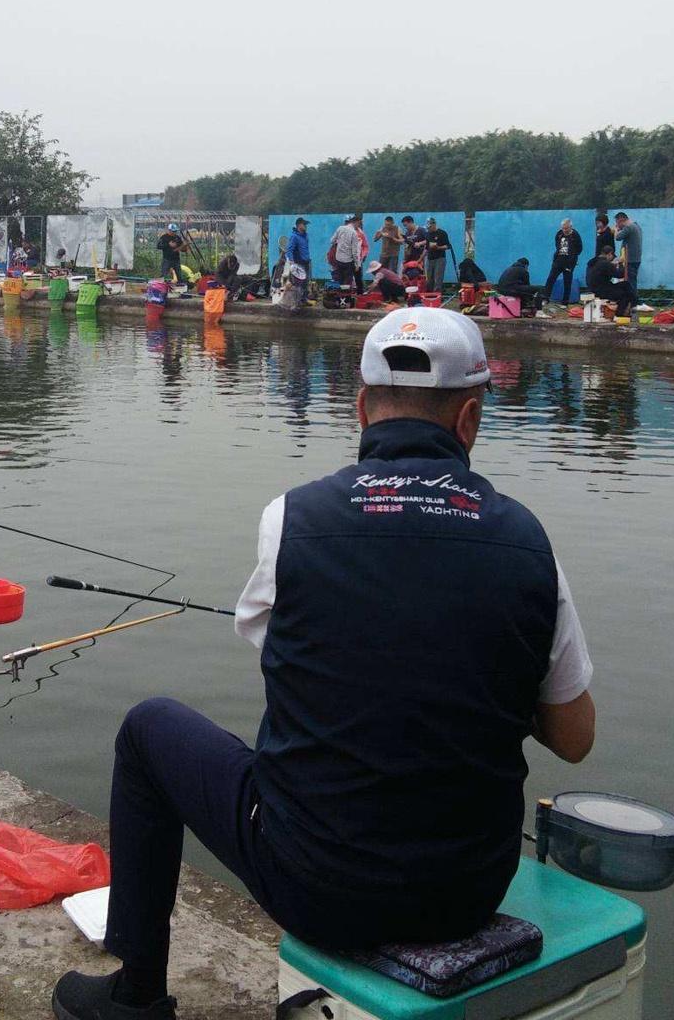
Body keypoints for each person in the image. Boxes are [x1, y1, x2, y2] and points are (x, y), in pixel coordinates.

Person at [51, 309, 595, 1020]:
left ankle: (135, 996)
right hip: (468, 892)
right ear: (468, 420)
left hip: (318, 887)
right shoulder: (529, 543)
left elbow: (301, 662)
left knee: (149, 729)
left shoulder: (293, 520)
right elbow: (574, 738)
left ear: (362, 407)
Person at [544, 217, 582, 303]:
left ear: (571, 227)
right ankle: (545, 297)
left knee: (567, 281)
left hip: (569, 262)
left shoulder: (575, 235)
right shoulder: (559, 234)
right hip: (559, 260)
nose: (564, 230)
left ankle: (565, 301)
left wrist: (573, 257)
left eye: (566, 228)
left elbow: (580, 248)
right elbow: (557, 244)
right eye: (563, 228)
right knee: (551, 278)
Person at [584, 249, 630, 317]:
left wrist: (613, 264)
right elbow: (620, 274)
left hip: (592, 288)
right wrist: (621, 263)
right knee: (625, 295)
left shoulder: (593, 262)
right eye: (612, 257)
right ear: (609, 254)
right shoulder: (605, 263)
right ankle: (619, 314)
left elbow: (604, 270)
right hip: (601, 290)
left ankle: (621, 309)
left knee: (625, 284)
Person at [332, 216, 365, 289]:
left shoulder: (340, 228)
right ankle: (346, 298)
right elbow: (354, 251)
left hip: (338, 259)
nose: (359, 226)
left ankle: (340, 297)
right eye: (359, 223)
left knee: (340, 279)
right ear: (355, 222)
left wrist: (339, 243)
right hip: (348, 261)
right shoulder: (354, 233)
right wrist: (357, 264)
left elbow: (332, 241)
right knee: (347, 281)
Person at [613, 212, 642, 297]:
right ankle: (634, 301)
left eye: (617, 222)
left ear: (621, 220)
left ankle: (632, 302)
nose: (617, 225)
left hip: (630, 260)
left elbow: (617, 237)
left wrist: (616, 229)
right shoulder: (636, 226)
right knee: (633, 281)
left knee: (630, 283)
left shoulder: (628, 227)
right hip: (636, 259)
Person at [157, 224, 189, 289]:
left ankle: (180, 288)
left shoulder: (177, 238)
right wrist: (168, 244)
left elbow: (183, 249)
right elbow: (158, 246)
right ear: (169, 230)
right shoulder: (164, 237)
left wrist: (184, 246)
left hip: (176, 259)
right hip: (167, 259)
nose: (174, 233)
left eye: (175, 231)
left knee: (179, 275)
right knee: (164, 274)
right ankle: (160, 287)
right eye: (173, 231)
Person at [423, 217, 452, 288]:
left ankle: (437, 294)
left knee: (438, 278)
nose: (429, 229)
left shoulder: (442, 233)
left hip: (439, 258)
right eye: (428, 227)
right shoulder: (427, 234)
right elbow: (426, 248)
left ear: (434, 224)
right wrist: (420, 259)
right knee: (429, 278)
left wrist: (438, 247)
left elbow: (448, 246)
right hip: (430, 258)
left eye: (430, 227)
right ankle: (429, 295)